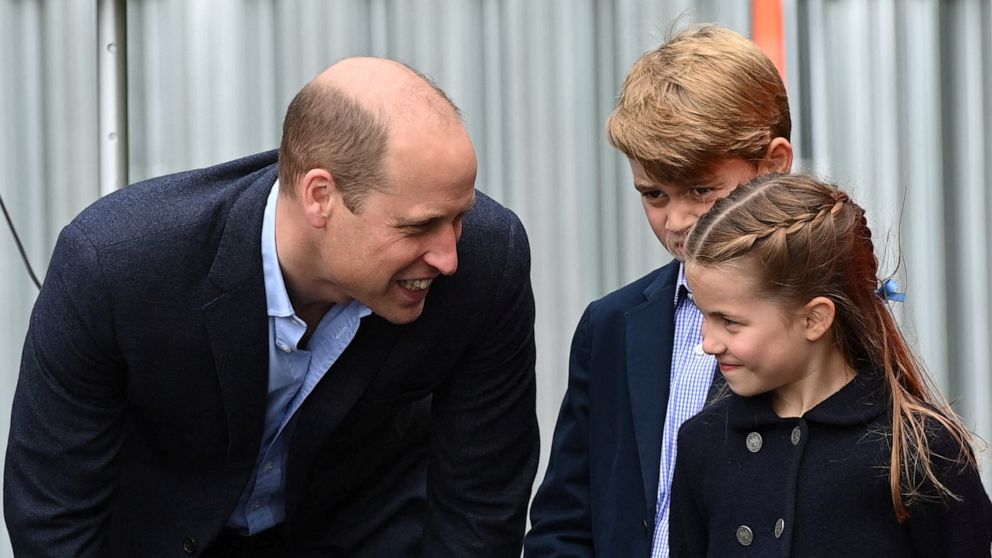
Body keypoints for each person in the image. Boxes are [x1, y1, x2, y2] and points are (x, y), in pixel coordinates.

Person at [4, 57, 539, 557]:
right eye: (418, 226)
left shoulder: (488, 261)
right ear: (320, 196)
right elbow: (53, 515)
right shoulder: (117, 265)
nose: (448, 256)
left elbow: (481, 506)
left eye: (460, 217)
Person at [525, 24, 793, 557]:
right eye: (653, 194)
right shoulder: (612, 326)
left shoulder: (824, 320)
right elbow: (563, 521)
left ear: (774, 164)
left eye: (701, 189)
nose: (677, 221)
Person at [670, 173, 992, 556]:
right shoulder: (702, 442)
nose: (708, 343)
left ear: (814, 319)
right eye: (704, 316)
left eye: (731, 322)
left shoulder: (920, 449)